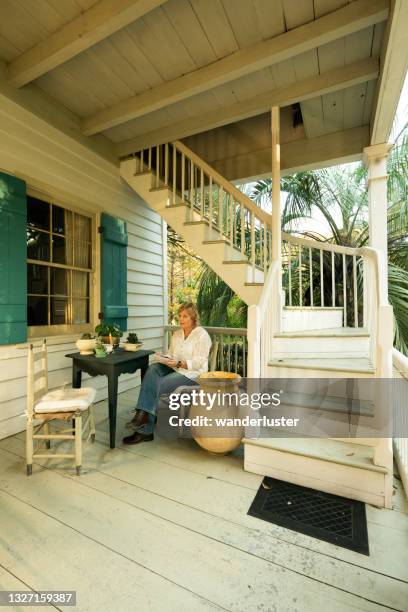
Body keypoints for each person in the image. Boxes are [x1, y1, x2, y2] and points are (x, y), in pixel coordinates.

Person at [123, 302, 212, 445]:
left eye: (185, 316)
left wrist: (178, 363)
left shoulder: (202, 335)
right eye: (180, 316)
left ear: (193, 318)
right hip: (175, 367)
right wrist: (164, 358)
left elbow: (199, 362)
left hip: (193, 374)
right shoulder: (176, 334)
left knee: (162, 382)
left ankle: (145, 427)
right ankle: (143, 415)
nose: (181, 319)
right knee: (152, 369)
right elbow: (172, 355)